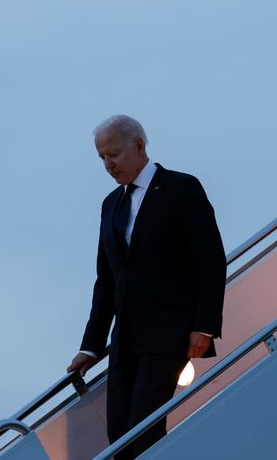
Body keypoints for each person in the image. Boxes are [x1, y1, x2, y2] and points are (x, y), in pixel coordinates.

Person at [67, 115, 226, 459]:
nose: (108, 165)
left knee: (144, 431)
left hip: (169, 334)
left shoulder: (182, 188)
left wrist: (205, 326)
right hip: (125, 340)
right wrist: (90, 346)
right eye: (102, 158)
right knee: (120, 436)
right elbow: (107, 280)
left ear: (138, 146)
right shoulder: (111, 204)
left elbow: (210, 260)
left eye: (114, 154)